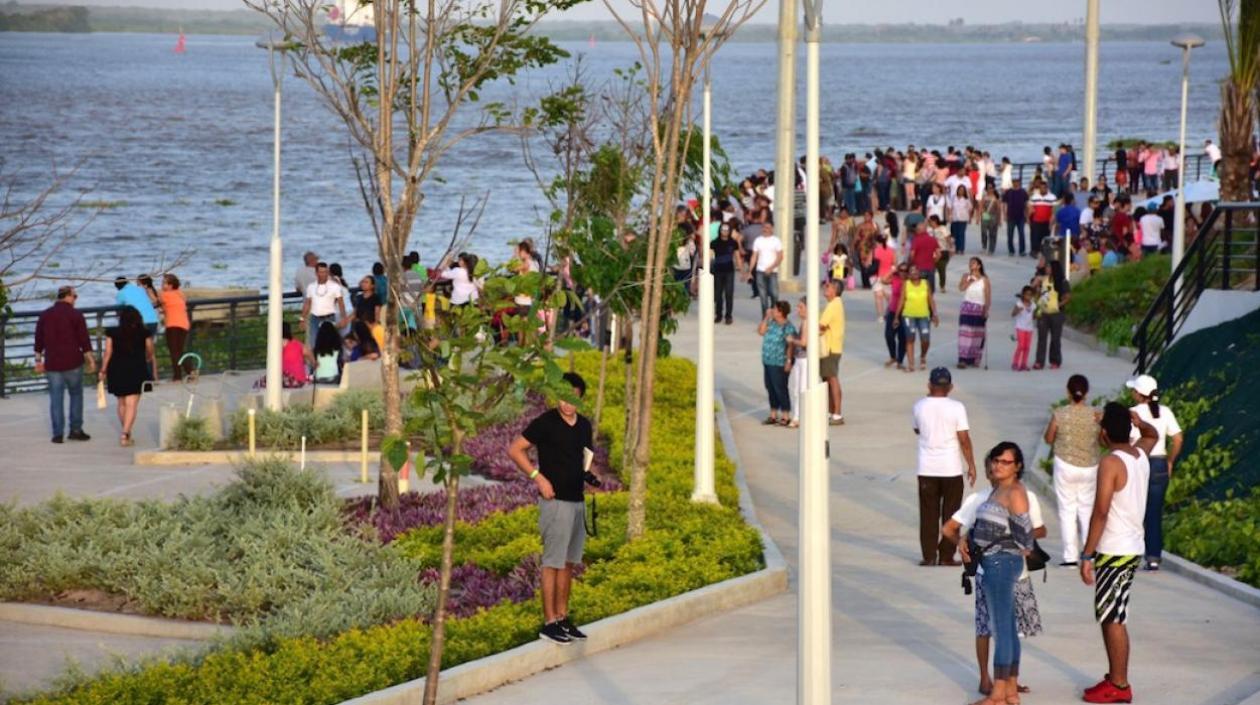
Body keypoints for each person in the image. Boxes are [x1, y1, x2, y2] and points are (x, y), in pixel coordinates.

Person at [944, 452, 1046, 700]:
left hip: (1002, 565)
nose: (997, 466)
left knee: (1002, 630)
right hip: (993, 566)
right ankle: (1008, 689)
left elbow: (1027, 536)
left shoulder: (1016, 493)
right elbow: (951, 528)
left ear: (1017, 466)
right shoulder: (990, 495)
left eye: (1004, 462)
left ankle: (999, 692)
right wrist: (968, 538)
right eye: (995, 462)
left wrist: (1004, 539)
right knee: (1005, 629)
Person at [1078, 403, 1160, 704]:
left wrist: (1087, 555)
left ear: (1103, 433)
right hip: (1130, 547)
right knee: (1112, 613)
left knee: (1113, 617)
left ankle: (1120, 685)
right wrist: (1139, 422)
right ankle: (1114, 676)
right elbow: (1152, 434)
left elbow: (1100, 512)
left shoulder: (1111, 462)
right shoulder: (1139, 454)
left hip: (1114, 548)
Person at [507, 372, 596, 645]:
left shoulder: (583, 425)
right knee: (552, 562)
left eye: (573, 399)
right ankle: (549, 623)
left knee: (569, 563)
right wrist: (538, 478)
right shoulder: (546, 422)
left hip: (577, 501)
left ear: (580, 398)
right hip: (555, 502)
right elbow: (515, 450)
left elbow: (583, 457)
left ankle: (562, 616)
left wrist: (589, 476)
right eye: (563, 397)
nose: (567, 404)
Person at [912, 366, 977, 566]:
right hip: (951, 469)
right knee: (952, 514)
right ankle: (947, 556)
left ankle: (929, 556)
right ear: (950, 387)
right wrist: (971, 465)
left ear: (929, 385)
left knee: (928, 514)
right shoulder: (957, 408)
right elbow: (964, 439)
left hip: (926, 469)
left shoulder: (919, 406)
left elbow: (917, 430)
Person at [1126, 374, 1184, 572]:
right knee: (1154, 513)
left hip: (1140, 463)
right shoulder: (1165, 412)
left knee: (1134, 511)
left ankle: (1132, 553)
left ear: (1138, 394)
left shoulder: (1133, 413)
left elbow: (1129, 441)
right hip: (1160, 464)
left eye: (1133, 390)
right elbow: (1178, 439)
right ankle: (1153, 557)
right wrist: (1170, 461)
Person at [1044, 374, 1102, 565]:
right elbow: (1103, 440)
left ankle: (1070, 557)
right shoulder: (1096, 414)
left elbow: (1049, 438)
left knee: (1067, 510)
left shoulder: (1060, 413)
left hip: (1065, 465)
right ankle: (1089, 552)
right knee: (1087, 509)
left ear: (1068, 392)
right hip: (1090, 466)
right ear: (1086, 393)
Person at [33, 286, 95, 443]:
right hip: (73, 361)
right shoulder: (76, 315)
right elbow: (84, 340)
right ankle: (75, 429)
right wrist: (91, 360)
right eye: (75, 296)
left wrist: (38, 361)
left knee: (55, 398)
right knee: (76, 395)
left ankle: (57, 433)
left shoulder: (45, 315)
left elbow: (38, 340)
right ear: (68, 296)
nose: (76, 299)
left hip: (53, 363)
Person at [100, 306, 154, 447]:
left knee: (121, 402)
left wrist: (103, 369)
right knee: (132, 403)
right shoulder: (144, 332)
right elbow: (150, 350)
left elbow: (108, 352)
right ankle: (125, 433)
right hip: (136, 368)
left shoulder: (112, 333)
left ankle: (126, 431)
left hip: (116, 369)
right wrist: (148, 357)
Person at [757, 301, 796, 427]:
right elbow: (761, 332)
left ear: (780, 312)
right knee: (770, 387)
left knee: (780, 388)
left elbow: (791, 346)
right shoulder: (772, 323)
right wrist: (766, 317)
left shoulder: (788, 327)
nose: (772, 310)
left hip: (779, 362)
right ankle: (773, 414)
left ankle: (785, 415)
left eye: (774, 309)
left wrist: (789, 361)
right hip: (768, 361)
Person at [897, 266, 937, 371]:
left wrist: (935, 314)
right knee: (910, 338)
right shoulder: (906, 284)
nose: (914, 273)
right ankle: (911, 364)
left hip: (924, 315)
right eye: (911, 271)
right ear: (909, 275)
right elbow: (901, 300)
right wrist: (896, 317)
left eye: (916, 271)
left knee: (925, 339)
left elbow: (931, 300)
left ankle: (923, 356)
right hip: (908, 315)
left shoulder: (925, 283)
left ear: (919, 273)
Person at [300, 262, 348, 350]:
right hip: (315, 318)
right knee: (314, 342)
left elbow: (341, 303)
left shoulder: (334, 286)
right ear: (316, 273)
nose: (323, 274)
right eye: (321, 272)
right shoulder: (311, 287)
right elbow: (307, 303)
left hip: (329, 317)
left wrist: (344, 318)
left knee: (330, 343)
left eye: (325, 272)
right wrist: (302, 318)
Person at [1033, 260, 1070, 370]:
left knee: (1055, 338)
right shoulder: (1043, 280)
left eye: (1049, 267)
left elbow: (1067, 296)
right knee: (1041, 338)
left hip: (1057, 314)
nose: (1047, 269)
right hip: (1043, 312)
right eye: (1046, 267)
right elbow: (1037, 293)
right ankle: (1039, 361)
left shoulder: (1062, 282)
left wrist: (1059, 305)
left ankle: (1055, 360)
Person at [819, 279, 845, 425]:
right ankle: (831, 411)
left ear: (835, 290)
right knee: (827, 380)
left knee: (832, 379)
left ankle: (837, 413)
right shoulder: (834, 304)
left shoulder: (834, 305)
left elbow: (821, 325)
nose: (825, 288)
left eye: (828, 286)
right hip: (831, 347)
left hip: (830, 347)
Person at [956, 258, 990, 369]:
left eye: (974, 263)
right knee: (965, 334)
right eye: (970, 263)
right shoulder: (966, 276)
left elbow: (987, 296)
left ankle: (974, 357)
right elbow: (961, 288)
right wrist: (968, 281)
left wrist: (986, 310)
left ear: (979, 265)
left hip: (979, 308)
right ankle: (963, 359)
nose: (971, 265)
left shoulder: (984, 279)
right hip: (967, 307)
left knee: (977, 335)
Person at [748, 223, 784, 316]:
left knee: (774, 294)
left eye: (768, 228)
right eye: (764, 227)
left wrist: (771, 267)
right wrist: (750, 271)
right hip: (760, 271)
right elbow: (754, 256)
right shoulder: (758, 240)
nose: (765, 229)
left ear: (772, 229)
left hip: (772, 272)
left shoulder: (776, 241)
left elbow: (780, 257)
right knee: (763, 296)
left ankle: (774, 313)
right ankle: (765, 317)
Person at [160, 274, 190, 381]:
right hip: (184, 324)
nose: (162, 285)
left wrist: (149, 289)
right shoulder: (180, 293)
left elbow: (156, 301)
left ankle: (178, 376)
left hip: (172, 324)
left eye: (164, 283)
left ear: (170, 285)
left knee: (174, 351)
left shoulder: (164, 295)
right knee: (180, 350)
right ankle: (190, 372)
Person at [711, 222, 742, 325]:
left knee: (729, 294)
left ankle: (728, 315)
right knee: (718, 294)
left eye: (727, 230)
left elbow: (737, 257)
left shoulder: (733, 243)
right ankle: (718, 314)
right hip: (718, 270)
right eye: (723, 230)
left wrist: (742, 270)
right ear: (720, 230)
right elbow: (710, 256)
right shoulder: (714, 243)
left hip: (729, 271)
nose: (725, 232)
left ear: (729, 231)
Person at [786, 298, 809, 429]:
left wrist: (792, 340)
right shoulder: (804, 322)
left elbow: (804, 342)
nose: (798, 310)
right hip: (800, 358)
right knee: (796, 388)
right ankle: (797, 415)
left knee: (801, 389)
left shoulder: (807, 322)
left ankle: (798, 417)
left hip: (804, 359)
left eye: (800, 307)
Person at [882, 262, 909, 370]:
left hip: (906, 312)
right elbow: (883, 280)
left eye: (905, 270)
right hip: (893, 310)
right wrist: (892, 271)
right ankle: (893, 356)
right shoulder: (895, 278)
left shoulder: (910, 282)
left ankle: (900, 360)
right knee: (889, 335)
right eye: (901, 270)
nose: (903, 273)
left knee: (903, 337)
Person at [1028, 180, 1056, 257]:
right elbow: (1030, 209)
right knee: (1035, 237)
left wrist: (1052, 222)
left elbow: (1053, 211)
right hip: (1036, 221)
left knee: (1046, 237)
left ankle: (1045, 252)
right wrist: (1028, 219)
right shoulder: (1034, 197)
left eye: (1044, 188)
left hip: (1046, 221)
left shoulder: (1052, 197)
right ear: (1039, 188)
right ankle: (1034, 251)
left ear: (1047, 188)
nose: (1043, 189)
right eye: (1041, 188)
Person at [1002, 178, 1029, 257]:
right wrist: (1004, 215)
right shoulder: (1008, 192)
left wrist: (1027, 217)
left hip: (1021, 217)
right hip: (1010, 216)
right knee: (1010, 235)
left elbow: (1026, 205)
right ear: (1012, 183)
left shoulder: (1023, 192)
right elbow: (1004, 204)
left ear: (1019, 183)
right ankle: (1011, 250)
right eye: (1014, 182)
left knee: (1021, 234)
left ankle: (1022, 250)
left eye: (1017, 182)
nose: (1016, 183)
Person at [1010, 286, 1035, 371]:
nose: (1028, 297)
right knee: (1021, 346)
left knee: (1027, 347)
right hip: (1020, 327)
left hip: (1029, 328)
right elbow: (1012, 314)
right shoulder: (1019, 303)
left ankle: (1024, 364)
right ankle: (1015, 363)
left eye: (1030, 295)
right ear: (1023, 295)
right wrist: (1018, 311)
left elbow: (1034, 316)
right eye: (1027, 294)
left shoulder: (1033, 305)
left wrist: (1037, 315)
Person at [281, 321, 313, 387]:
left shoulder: (277, 345)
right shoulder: (297, 344)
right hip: (300, 380)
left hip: (286, 379)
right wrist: (314, 363)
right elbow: (309, 353)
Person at [871, 234, 896, 318]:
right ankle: (889, 314)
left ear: (877, 241)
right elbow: (894, 264)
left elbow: (869, 263)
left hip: (876, 276)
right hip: (888, 276)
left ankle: (880, 316)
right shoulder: (892, 250)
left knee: (878, 297)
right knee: (889, 298)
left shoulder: (875, 251)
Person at [929, 215, 954, 293]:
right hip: (932, 252)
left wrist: (951, 248)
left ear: (935, 221)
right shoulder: (929, 230)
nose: (929, 223)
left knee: (941, 270)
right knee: (930, 270)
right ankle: (930, 286)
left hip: (943, 251)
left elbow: (948, 239)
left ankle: (942, 286)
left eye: (930, 221)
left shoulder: (943, 228)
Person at [948, 184, 973, 255]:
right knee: (955, 234)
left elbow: (970, 209)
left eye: (962, 190)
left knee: (961, 234)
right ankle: (956, 248)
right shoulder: (953, 198)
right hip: (955, 218)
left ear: (964, 191)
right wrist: (950, 216)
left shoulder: (966, 200)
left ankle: (961, 249)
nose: (961, 191)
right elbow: (950, 207)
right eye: (959, 190)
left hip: (963, 218)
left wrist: (970, 218)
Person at [979, 183, 1001, 255]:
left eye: (991, 188)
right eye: (988, 188)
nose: (990, 189)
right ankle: (984, 247)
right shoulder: (984, 197)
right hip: (986, 215)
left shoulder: (996, 198)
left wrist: (999, 219)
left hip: (993, 216)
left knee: (993, 233)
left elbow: (998, 209)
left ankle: (991, 249)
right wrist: (981, 214)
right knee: (984, 232)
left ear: (994, 189)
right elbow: (981, 206)